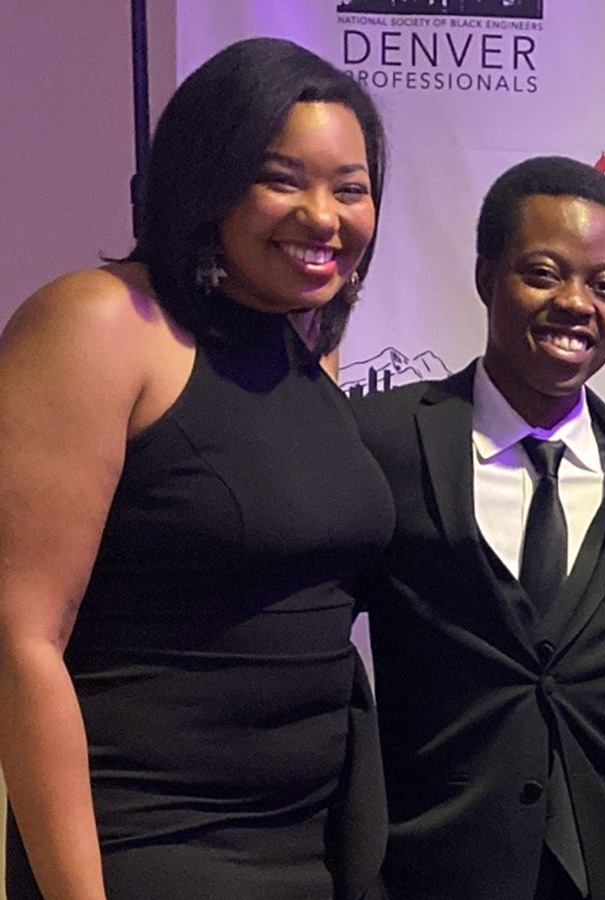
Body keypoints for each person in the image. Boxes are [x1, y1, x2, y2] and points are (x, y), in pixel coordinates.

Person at [0, 36, 392, 900]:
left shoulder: (307, 346)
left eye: (351, 188)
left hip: (309, 851)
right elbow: (20, 640)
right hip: (151, 849)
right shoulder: (102, 322)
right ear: (206, 180)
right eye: (282, 179)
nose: (324, 216)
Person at [351, 155, 605, 900]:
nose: (576, 304)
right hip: (427, 872)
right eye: (543, 272)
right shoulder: (382, 443)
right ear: (485, 277)